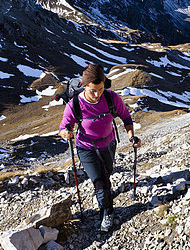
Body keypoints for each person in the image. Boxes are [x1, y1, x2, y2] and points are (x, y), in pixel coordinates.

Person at [59, 63, 141, 232]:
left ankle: (105, 196)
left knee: (106, 175)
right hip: (86, 148)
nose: (97, 95)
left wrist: (132, 136)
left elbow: (126, 118)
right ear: (84, 86)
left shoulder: (111, 98)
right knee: (100, 181)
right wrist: (65, 133)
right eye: (93, 90)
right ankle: (108, 213)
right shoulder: (74, 104)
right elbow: (63, 127)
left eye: (101, 89)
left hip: (109, 144)